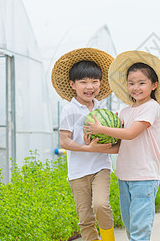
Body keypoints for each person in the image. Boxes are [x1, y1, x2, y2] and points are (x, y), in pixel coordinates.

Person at [84, 50, 160, 241]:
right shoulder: (125, 111)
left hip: (144, 177)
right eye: (132, 83)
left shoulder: (151, 107)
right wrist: (93, 140)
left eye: (142, 83)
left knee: (139, 230)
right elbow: (120, 145)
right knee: (130, 226)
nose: (136, 88)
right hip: (125, 175)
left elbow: (131, 134)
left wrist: (102, 127)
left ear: (154, 85)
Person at [51, 48, 119, 241]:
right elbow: (64, 141)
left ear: (100, 83)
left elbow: (114, 139)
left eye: (94, 81)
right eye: (84, 82)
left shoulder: (103, 109)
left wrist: (115, 129)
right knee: (85, 218)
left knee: (101, 205)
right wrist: (88, 148)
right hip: (78, 171)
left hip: (100, 166)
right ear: (73, 84)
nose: (90, 87)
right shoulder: (69, 110)